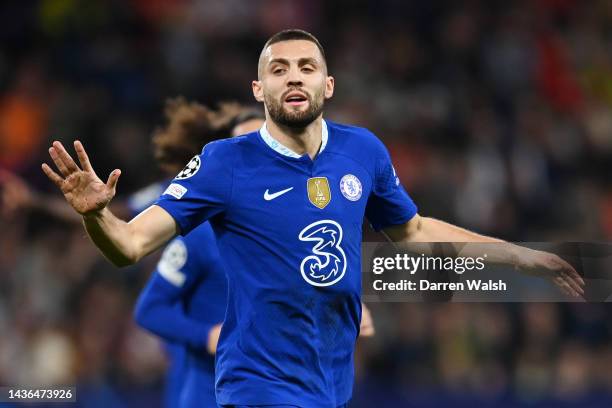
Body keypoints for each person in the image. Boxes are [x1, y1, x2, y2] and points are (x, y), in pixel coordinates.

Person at [42, 29, 583, 407]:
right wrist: (97, 217)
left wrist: (525, 258)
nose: (293, 77)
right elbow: (131, 245)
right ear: (260, 90)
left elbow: (415, 232)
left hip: (330, 383)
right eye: (278, 69)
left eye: (307, 67)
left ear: (328, 85)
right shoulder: (223, 162)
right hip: (256, 385)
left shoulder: (363, 152)